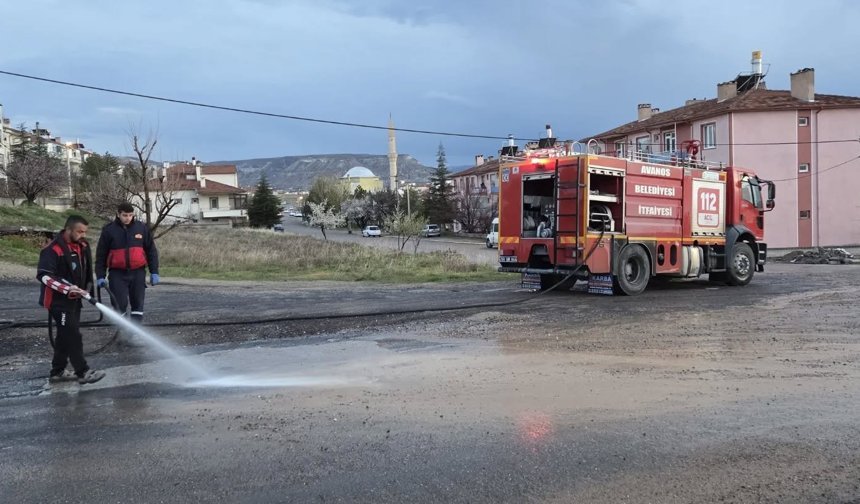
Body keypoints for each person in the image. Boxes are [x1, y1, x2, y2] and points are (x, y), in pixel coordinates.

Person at [37, 215, 105, 385]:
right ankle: (83, 372)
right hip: (58, 302)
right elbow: (44, 276)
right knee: (73, 335)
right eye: (79, 231)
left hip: (75, 300)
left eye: (85, 232)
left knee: (64, 336)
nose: (83, 235)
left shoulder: (82, 246)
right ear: (68, 229)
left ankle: (57, 371)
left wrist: (87, 289)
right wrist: (67, 288)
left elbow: (87, 271)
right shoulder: (52, 250)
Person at [95, 202, 160, 345]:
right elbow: (101, 255)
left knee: (138, 303)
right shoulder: (109, 231)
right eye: (125, 215)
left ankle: (134, 334)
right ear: (118, 214)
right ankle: (124, 332)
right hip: (117, 273)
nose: (128, 218)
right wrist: (100, 275)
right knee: (120, 304)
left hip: (137, 272)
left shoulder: (141, 228)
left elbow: (151, 251)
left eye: (130, 215)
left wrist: (154, 271)